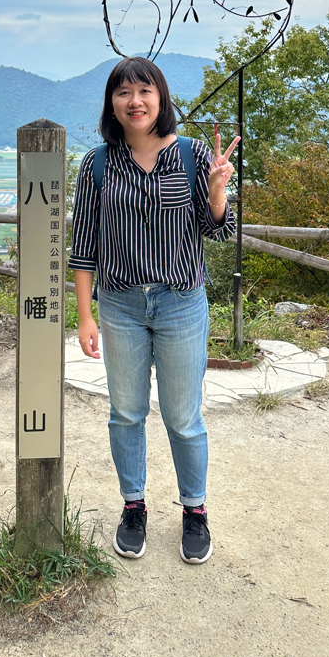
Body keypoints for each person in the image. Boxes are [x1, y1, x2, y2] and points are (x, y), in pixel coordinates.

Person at [70, 56, 239, 565]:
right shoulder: (98, 165)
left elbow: (219, 232)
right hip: (119, 304)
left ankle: (195, 511)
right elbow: (83, 246)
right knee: (126, 413)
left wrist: (215, 193)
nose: (135, 101)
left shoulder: (189, 156)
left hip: (181, 303)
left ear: (160, 98)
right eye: (124, 93)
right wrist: (85, 315)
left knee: (183, 416)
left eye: (144, 91)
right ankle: (134, 505)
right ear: (112, 104)